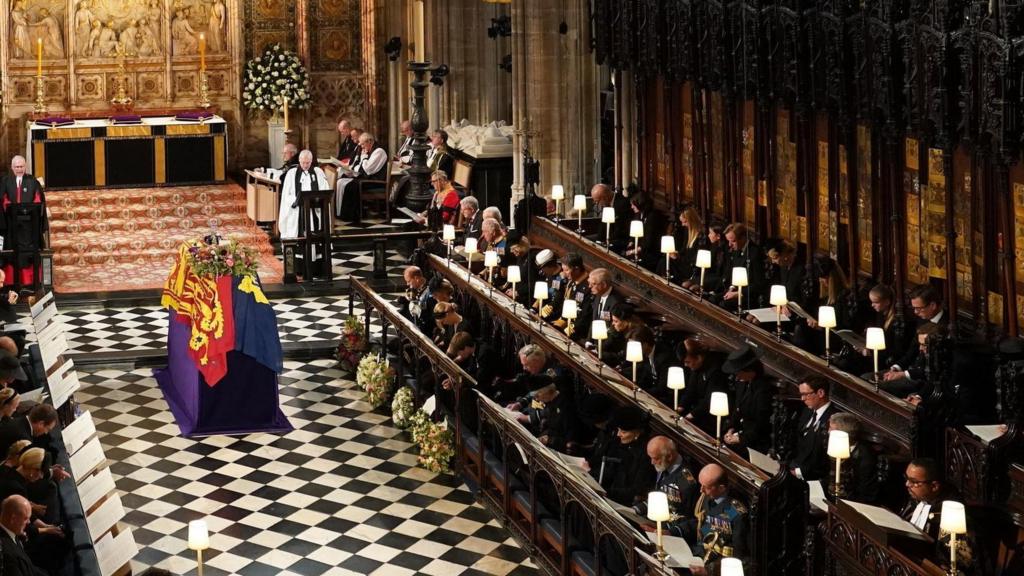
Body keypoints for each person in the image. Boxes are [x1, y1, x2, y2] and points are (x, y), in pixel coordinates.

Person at [900, 458, 975, 573]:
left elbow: (955, 560)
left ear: (934, 486)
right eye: (906, 478)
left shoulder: (951, 512)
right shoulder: (919, 497)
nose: (907, 484)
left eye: (913, 481)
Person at [682, 464, 749, 568]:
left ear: (721, 488)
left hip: (717, 563)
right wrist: (673, 531)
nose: (701, 490)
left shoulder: (736, 512)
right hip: (698, 553)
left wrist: (709, 571)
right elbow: (699, 523)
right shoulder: (708, 496)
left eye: (706, 487)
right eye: (701, 485)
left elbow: (738, 554)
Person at [633, 436, 699, 537]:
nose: (652, 462)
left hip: (670, 531)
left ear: (669, 456)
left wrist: (668, 531)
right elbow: (659, 494)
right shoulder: (664, 465)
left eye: (655, 458)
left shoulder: (687, 482)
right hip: (655, 520)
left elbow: (690, 517)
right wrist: (635, 510)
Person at [0, 156, 47, 290]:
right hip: (11, 226)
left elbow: (38, 200)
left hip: (29, 227)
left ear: (25, 166)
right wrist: (11, 210)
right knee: (12, 253)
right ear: (12, 167)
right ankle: (11, 283)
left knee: (28, 254)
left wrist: (27, 211)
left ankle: (29, 283)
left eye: (21, 166)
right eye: (17, 167)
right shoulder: (5, 181)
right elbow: (3, 201)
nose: (19, 169)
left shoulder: (33, 181)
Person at [721, 345, 772, 453]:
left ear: (750, 371)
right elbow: (737, 409)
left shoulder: (764, 390)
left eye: (739, 374)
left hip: (755, 440)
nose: (737, 378)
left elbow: (762, 424)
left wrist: (740, 438)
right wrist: (730, 429)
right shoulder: (742, 383)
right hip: (740, 431)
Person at [602, 405, 656, 506]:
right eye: (618, 430)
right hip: (611, 494)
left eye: (623, 432)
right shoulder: (620, 443)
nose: (618, 434)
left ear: (637, 433)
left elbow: (637, 489)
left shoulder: (646, 454)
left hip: (626, 502)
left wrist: (607, 492)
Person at [786, 378, 838, 482]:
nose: (802, 399)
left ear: (821, 393)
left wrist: (799, 472)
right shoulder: (807, 411)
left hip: (812, 477)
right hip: (794, 465)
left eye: (806, 394)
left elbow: (824, 459)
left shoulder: (834, 419)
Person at [678, 338, 730, 434]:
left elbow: (709, 401)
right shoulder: (696, 366)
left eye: (688, 362)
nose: (685, 365)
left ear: (699, 358)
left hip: (710, 418)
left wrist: (690, 416)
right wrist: (680, 407)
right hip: (697, 411)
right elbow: (690, 390)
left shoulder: (716, 371)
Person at [826, 413, 879, 503]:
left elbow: (864, 493)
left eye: (831, 429)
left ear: (844, 435)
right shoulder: (833, 445)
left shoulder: (865, 459)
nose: (828, 432)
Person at [336, 132, 389, 222]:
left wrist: (363, 157)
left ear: (369, 141)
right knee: (340, 182)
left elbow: (368, 169)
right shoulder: (369, 149)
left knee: (350, 186)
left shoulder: (379, 151)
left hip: (375, 182)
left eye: (363, 144)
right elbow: (363, 168)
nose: (361, 147)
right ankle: (339, 212)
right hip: (367, 178)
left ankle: (350, 216)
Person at [278, 150, 329, 240]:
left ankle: (316, 248)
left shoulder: (318, 172)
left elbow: (325, 190)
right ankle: (298, 250)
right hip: (297, 208)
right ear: (299, 161)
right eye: (303, 163)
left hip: (314, 208)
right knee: (295, 219)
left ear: (311, 161)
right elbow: (286, 194)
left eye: (308, 163)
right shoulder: (291, 173)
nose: (305, 166)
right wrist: (296, 200)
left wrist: (317, 198)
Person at [721, 223, 767, 308]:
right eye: (728, 241)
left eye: (733, 241)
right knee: (714, 299)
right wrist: (731, 288)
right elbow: (732, 272)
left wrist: (738, 293)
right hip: (734, 291)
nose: (729, 245)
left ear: (743, 238)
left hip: (748, 296)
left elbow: (758, 284)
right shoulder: (736, 249)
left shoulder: (755, 253)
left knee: (724, 304)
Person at [0, 495, 46, 576]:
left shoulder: (12, 532)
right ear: (13, 519)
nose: (28, 522)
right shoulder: (7, 555)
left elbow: (30, 567)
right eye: (26, 518)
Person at [624, 191, 668, 271]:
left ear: (640, 204)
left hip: (651, 251)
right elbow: (634, 232)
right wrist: (630, 244)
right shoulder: (638, 214)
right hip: (640, 247)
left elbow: (649, 241)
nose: (632, 207)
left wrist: (633, 251)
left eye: (633, 205)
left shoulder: (653, 217)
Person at [589, 183, 631, 251]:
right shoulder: (606, 203)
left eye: (597, 201)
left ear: (605, 197)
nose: (597, 204)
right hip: (608, 237)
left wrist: (605, 242)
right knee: (588, 241)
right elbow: (603, 225)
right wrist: (598, 240)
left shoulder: (623, 204)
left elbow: (620, 229)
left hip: (619, 239)